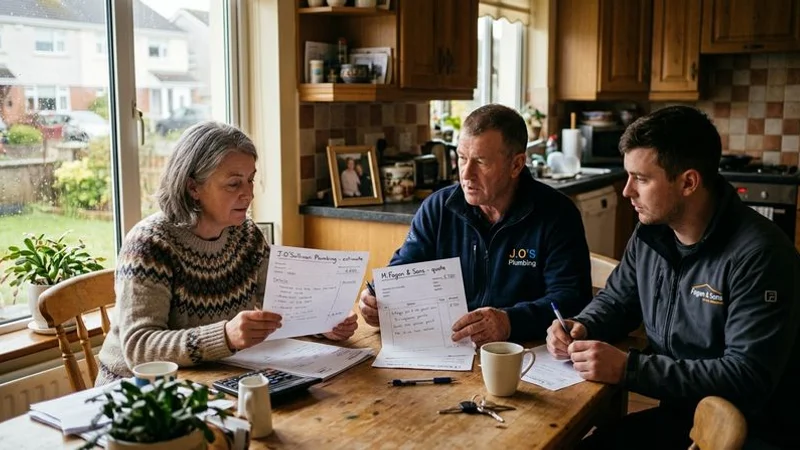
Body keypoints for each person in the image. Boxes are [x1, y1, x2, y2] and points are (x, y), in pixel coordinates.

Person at [545, 106, 800, 449]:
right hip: (683, 417)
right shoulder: (653, 233)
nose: (627, 192)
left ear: (688, 183)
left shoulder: (761, 255)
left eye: (642, 179)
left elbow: (745, 377)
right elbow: (618, 300)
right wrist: (582, 325)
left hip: (750, 433)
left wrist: (629, 369)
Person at [96, 121, 359, 385]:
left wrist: (324, 323)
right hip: (133, 393)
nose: (248, 194)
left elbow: (286, 307)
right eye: (234, 184)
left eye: (250, 180)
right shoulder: (150, 245)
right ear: (193, 188)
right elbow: (139, 349)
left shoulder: (246, 236)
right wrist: (225, 336)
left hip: (215, 380)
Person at [358, 104, 593, 346]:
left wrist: (510, 321)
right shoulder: (438, 208)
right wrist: (379, 297)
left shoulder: (558, 214)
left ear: (516, 164)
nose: (466, 174)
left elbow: (571, 299)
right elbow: (404, 269)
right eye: (461, 158)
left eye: (480, 162)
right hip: (450, 348)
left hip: (526, 352)